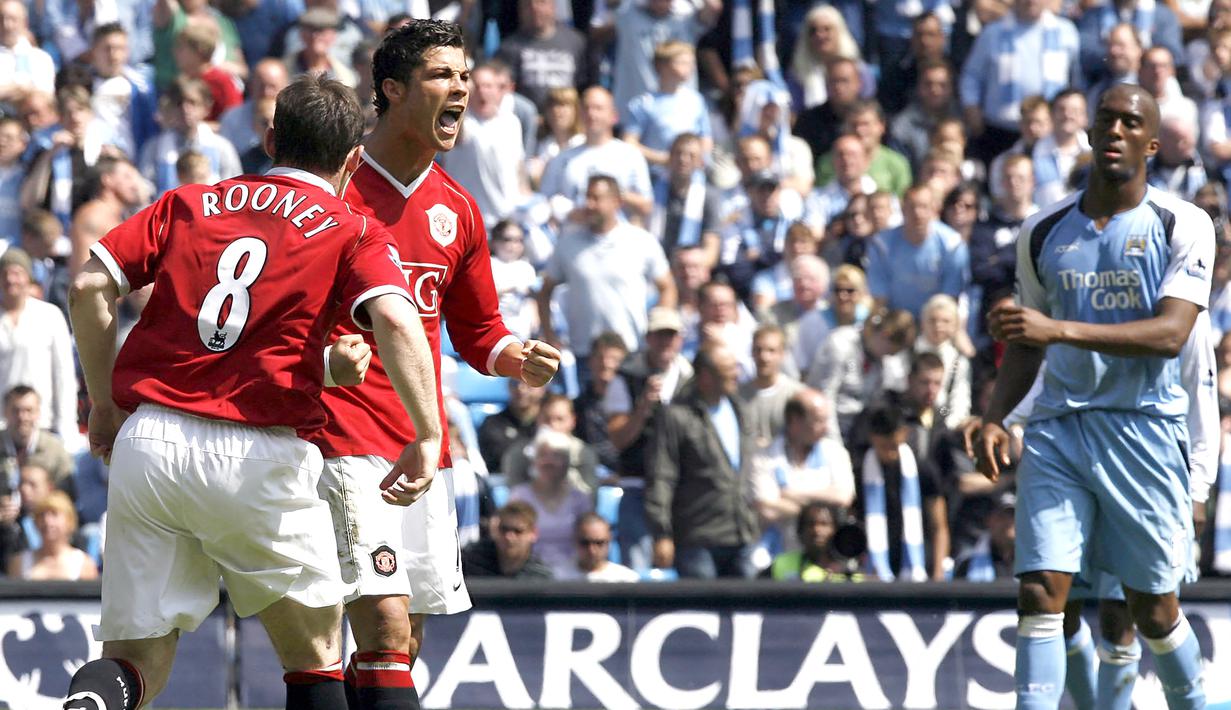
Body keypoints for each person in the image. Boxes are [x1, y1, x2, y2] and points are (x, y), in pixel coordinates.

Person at [61, 74, 443, 710]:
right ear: (353, 160)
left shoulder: (187, 202)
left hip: (151, 440)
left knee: (132, 662)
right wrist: (427, 435)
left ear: (269, 139)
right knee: (317, 661)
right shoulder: (352, 228)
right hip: (260, 451)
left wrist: (103, 404)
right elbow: (399, 320)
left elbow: (87, 288)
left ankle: (90, 704)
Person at [308, 20, 561, 708]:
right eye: (442, 76)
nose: (461, 88)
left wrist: (518, 359)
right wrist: (324, 357)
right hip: (338, 436)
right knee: (381, 627)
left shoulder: (458, 210)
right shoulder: (333, 192)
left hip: (423, 450)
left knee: (402, 640)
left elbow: (478, 332)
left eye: (465, 75)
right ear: (391, 90)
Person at [974, 84, 1212, 709]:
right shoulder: (1042, 230)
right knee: (1040, 593)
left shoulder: (1184, 223)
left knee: (1152, 612)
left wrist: (1059, 329)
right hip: (1060, 429)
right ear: (1088, 132)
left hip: (1146, 431)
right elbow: (1028, 340)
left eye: (1130, 123)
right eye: (1105, 119)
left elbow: (1170, 335)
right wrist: (996, 416)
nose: (1114, 130)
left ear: (1151, 143)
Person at [647, 343, 759, 579]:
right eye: (728, 369)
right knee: (703, 611)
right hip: (698, 538)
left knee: (748, 611)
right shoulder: (677, 415)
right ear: (706, 376)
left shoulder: (741, 410)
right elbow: (661, 477)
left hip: (741, 533)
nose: (736, 374)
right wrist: (662, 534)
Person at [752, 389, 855, 556]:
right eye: (818, 421)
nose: (826, 428)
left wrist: (789, 494)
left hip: (825, 557)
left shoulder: (835, 453)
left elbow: (843, 497)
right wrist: (821, 509)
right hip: (776, 554)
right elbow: (766, 509)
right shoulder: (765, 456)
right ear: (795, 421)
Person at [0, 249, 78, 443]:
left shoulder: (49, 316)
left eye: (17, 273)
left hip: (42, 425)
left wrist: (66, 427)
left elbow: (63, 375)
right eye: (4, 274)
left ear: (28, 277)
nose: (11, 279)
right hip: (3, 427)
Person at [508, 429, 593, 577]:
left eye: (556, 456)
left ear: (567, 462)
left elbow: (589, 541)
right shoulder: (519, 496)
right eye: (543, 455)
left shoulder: (580, 499)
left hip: (573, 574)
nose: (549, 461)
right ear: (534, 461)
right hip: (529, 573)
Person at [7, 489, 97, 581]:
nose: (47, 522)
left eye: (54, 514)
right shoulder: (19, 563)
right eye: (42, 515)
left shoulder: (83, 565)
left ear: (69, 521)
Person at [769, 502, 865, 582]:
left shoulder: (850, 574)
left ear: (836, 530)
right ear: (800, 531)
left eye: (824, 524)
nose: (816, 530)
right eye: (810, 524)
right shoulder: (781, 564)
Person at [461, 501, 554, 579]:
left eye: (517, 531)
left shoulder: (540, 577)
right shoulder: (471, 560)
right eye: (504, 529)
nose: (509, 536)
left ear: (533, 533)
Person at [566, 513, 639, 581]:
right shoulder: (559, 577)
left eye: (599, 543)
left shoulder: (626, 579)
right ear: (574, 541)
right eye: (585, 543)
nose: (592, 550)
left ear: (610, 540)